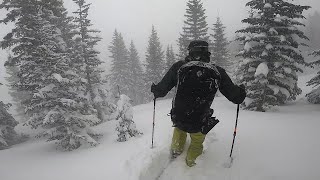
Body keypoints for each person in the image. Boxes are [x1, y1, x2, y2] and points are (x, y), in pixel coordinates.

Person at [151, 40, 246, 167]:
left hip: (178, 115)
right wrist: (241, 92)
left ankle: (175, 151)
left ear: (190, 52)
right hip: (200, 119)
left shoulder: (179, 67)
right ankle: (191, 163)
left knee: (179, 130)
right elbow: (236, 97)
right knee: (196, 142)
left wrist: (155, 89)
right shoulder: (218, 71)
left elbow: (161, 91)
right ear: (207, 52)